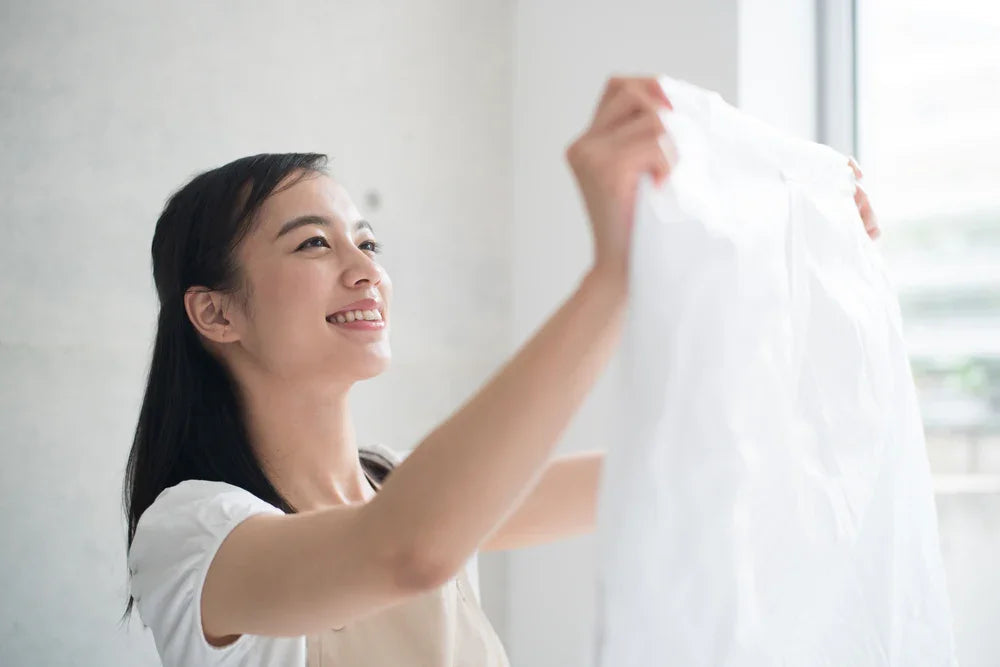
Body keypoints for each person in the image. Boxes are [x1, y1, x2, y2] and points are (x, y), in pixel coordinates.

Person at [122, 75, 880, 667]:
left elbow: (687, 467)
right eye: (314, 245)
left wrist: (794, 265)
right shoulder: (190, 531)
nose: (365, 271)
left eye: (369, 242)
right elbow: (410, 549)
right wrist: (616, 274)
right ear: (216, 314)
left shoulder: (403, 483)